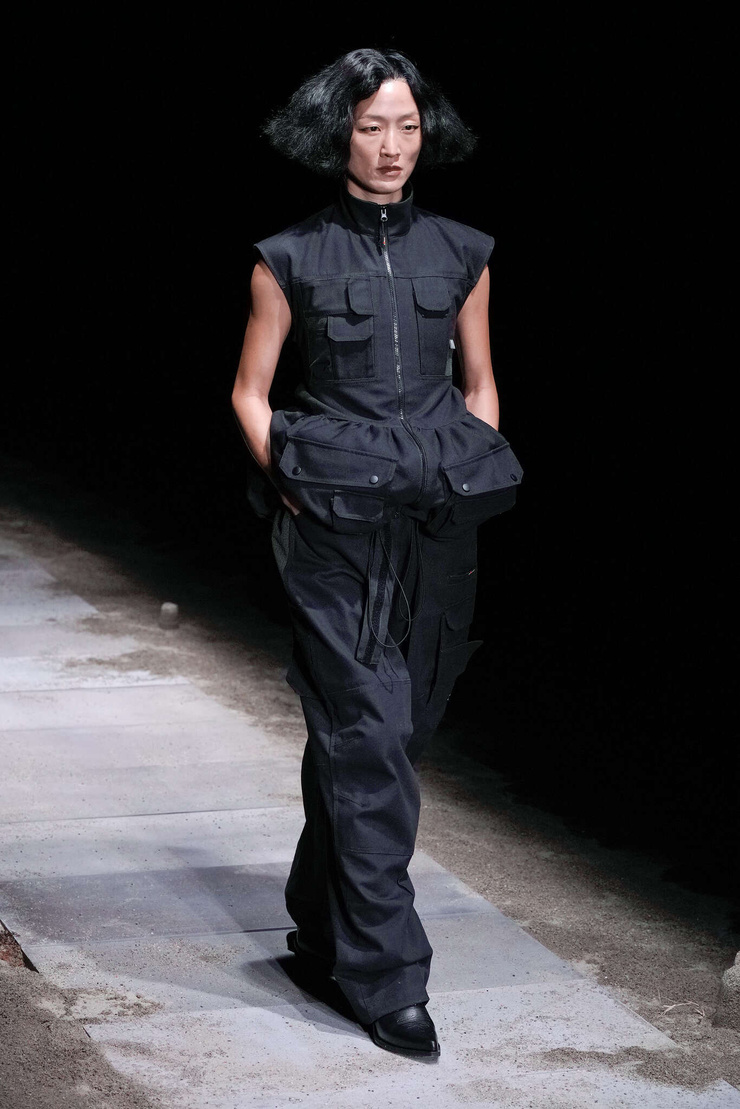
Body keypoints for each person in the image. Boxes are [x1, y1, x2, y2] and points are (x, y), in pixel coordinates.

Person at [231, 47, 522, 1060]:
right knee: (368, 732)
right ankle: (387, 975)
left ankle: (321, 923)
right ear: (336, 135)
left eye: (407, 126)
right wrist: (290, 479)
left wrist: (470, 458)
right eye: (370, 128)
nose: (392, 147)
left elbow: (480, 380)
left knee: (395, 736)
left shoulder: (464, 251)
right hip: (333, 530)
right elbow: (249, 392)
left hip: (437, 526)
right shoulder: (288, 257)